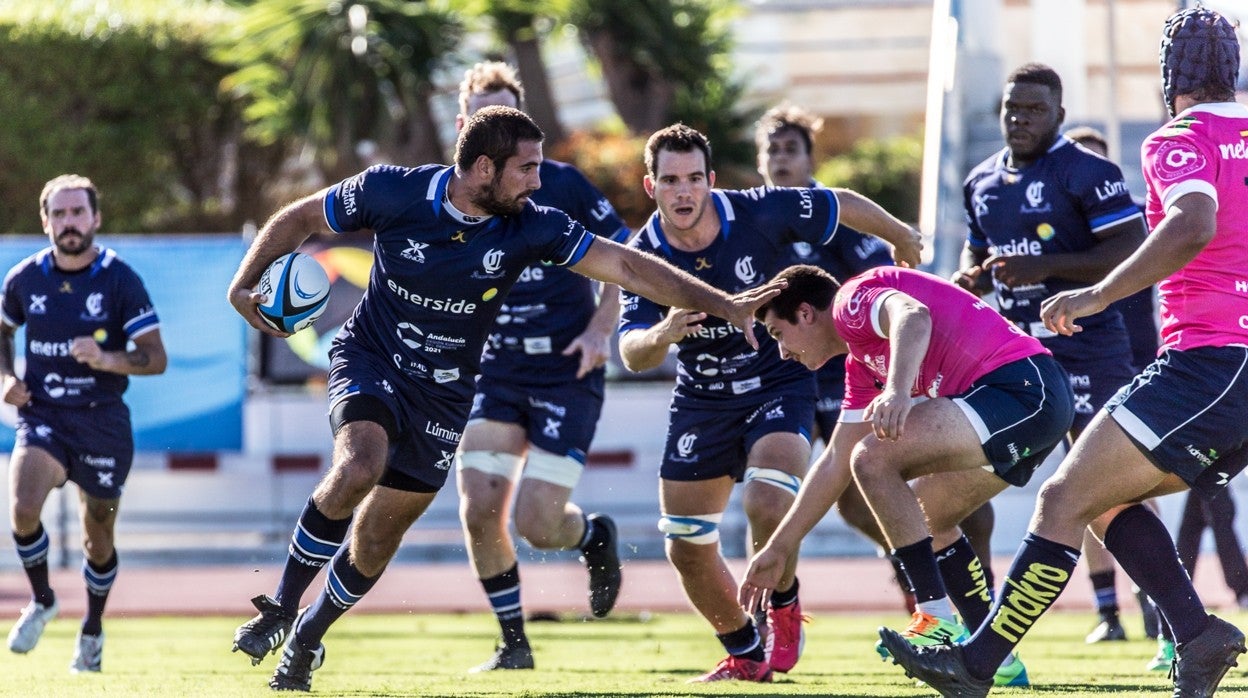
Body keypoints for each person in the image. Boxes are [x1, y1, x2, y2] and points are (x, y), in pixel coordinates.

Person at [226, 105, 786, 692]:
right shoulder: (392, 191)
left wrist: (725, 302)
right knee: (359, 462)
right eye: (527, 169)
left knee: (379, 533)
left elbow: (623, 264)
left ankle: (307, 640)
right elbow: (297, 218)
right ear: (484, 168)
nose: (539, 182)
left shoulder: (532, 223)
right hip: (372, 359)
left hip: (444, 395)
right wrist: (244, 286)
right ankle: (282, 608)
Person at [879, 9, 1248, 697]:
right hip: (1230, 373)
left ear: (1172, 75)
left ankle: (976, 665)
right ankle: (1197, 635)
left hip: (1208, 359)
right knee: (1103, 501)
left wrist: (1097, 294)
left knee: (1059, 499)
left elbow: (1192, 223)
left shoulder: (1182, 137)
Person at [619, 123, 922, 683]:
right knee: (685, 545)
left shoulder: (756, 211)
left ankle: (784, 606)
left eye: (692, 179)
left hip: (775, 380)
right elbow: (632, 352)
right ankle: (744, 649)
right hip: (701, 399)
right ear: (650, 186)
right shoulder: (642, 256)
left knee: (766, 500)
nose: (683, 193)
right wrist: (661, 334)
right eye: (669, 181)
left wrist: (901, 234)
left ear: (710, 181)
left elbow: (841, 203)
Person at [738, 264, 1072, 690]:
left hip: (1021, 389)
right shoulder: (860, 367)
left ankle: (935, 615)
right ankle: (998, 658)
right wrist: (779, 548)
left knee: (873, 459)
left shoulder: (849, 304)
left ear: (805, 313)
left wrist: (896, 391)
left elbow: (912, 315)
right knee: (925, 514)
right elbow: (835, 461)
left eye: (776, 333)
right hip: (1034, 403)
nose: (782, 351)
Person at [756, 103, 998, 615]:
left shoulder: (837, 223)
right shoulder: (757, 225)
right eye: (771, 150)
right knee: (840, 490)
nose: (780, 160)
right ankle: (921, 580)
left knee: (915, 487)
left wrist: (892, 380)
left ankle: (960, 588)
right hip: (799, 373)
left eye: (790, 149)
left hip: (870, 363)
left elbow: (888, 298)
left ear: (808, 157)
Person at [952, 66, 1148, 651]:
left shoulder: (1087, 172)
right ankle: (972, 624)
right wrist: (970, 277)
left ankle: (1166, 620)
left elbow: (1132, 247)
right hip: (1012, 357)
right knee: (957, 479)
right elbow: (979, 249)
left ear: (1058, 114)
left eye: (1034, 110)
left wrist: (1047, 266)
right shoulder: (982, 181)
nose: (1020, 119)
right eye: (1012, 108)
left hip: (1088, 348)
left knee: (1103, 492)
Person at [451, 62, 630, 673]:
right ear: (463, 127)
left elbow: (624, 259)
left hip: (565, 372)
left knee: (537, 523)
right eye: (484, 118)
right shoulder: (445, 198)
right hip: (494, 375)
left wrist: (601, 328)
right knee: (478, 507)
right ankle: (513, 643)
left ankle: (592, 536)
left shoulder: (565, 186)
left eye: (508, 117)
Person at [2, 174, 168, 673]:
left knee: (98, 536)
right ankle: (43, 599)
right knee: (24, 507)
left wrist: (106, 358)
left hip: (102, 425)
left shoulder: (120, 280)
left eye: (78, 213)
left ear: (95, 218)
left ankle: (92, 629)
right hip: (44, 417)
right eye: (59, 214)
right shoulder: (25, 278)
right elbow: (1, 334)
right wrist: (5, 377)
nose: (69, 223)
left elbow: (155, 358)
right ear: (45, 221)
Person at [1063, 124, 1163, 646]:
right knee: (1082, 491)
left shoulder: (1138, 236)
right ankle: (1109, 611)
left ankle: (1158, 605)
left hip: (1140, 375)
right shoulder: (1068, 252)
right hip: (1082, 376)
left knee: (1139, 489)